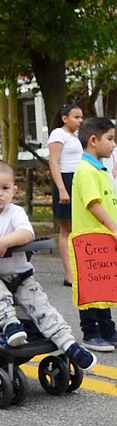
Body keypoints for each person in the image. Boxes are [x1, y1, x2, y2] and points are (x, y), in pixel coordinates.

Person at [0, 160, 96, 371]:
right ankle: (11, 326)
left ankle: (67, 342)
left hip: (18, 275)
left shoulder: (14, 213)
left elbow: (26, 233)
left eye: (5, 189)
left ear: (13, 190)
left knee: (41, 305)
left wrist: (6, 241)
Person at [71, 116, 117, 352]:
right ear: (93, 140)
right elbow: (93, 204)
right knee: (89, 288)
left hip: (101, 239)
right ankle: (91, 333)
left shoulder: (100, 170)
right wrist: (114, 227)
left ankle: (108, 331)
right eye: (110, 139)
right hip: (88, 240)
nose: (113, 144)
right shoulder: (86, 170)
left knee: (103, 286)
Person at [47, 102, 83, 286]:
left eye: (81, 117)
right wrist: (61, 188)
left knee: (80, 227)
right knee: (66, 229)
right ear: (64, 118)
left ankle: (82, 269)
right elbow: (53, 162)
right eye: (76, 117)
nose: (80, 121)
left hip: (79, 180)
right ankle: (69, 274)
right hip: (66, 180)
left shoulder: (76, 136)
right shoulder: (58, 134)